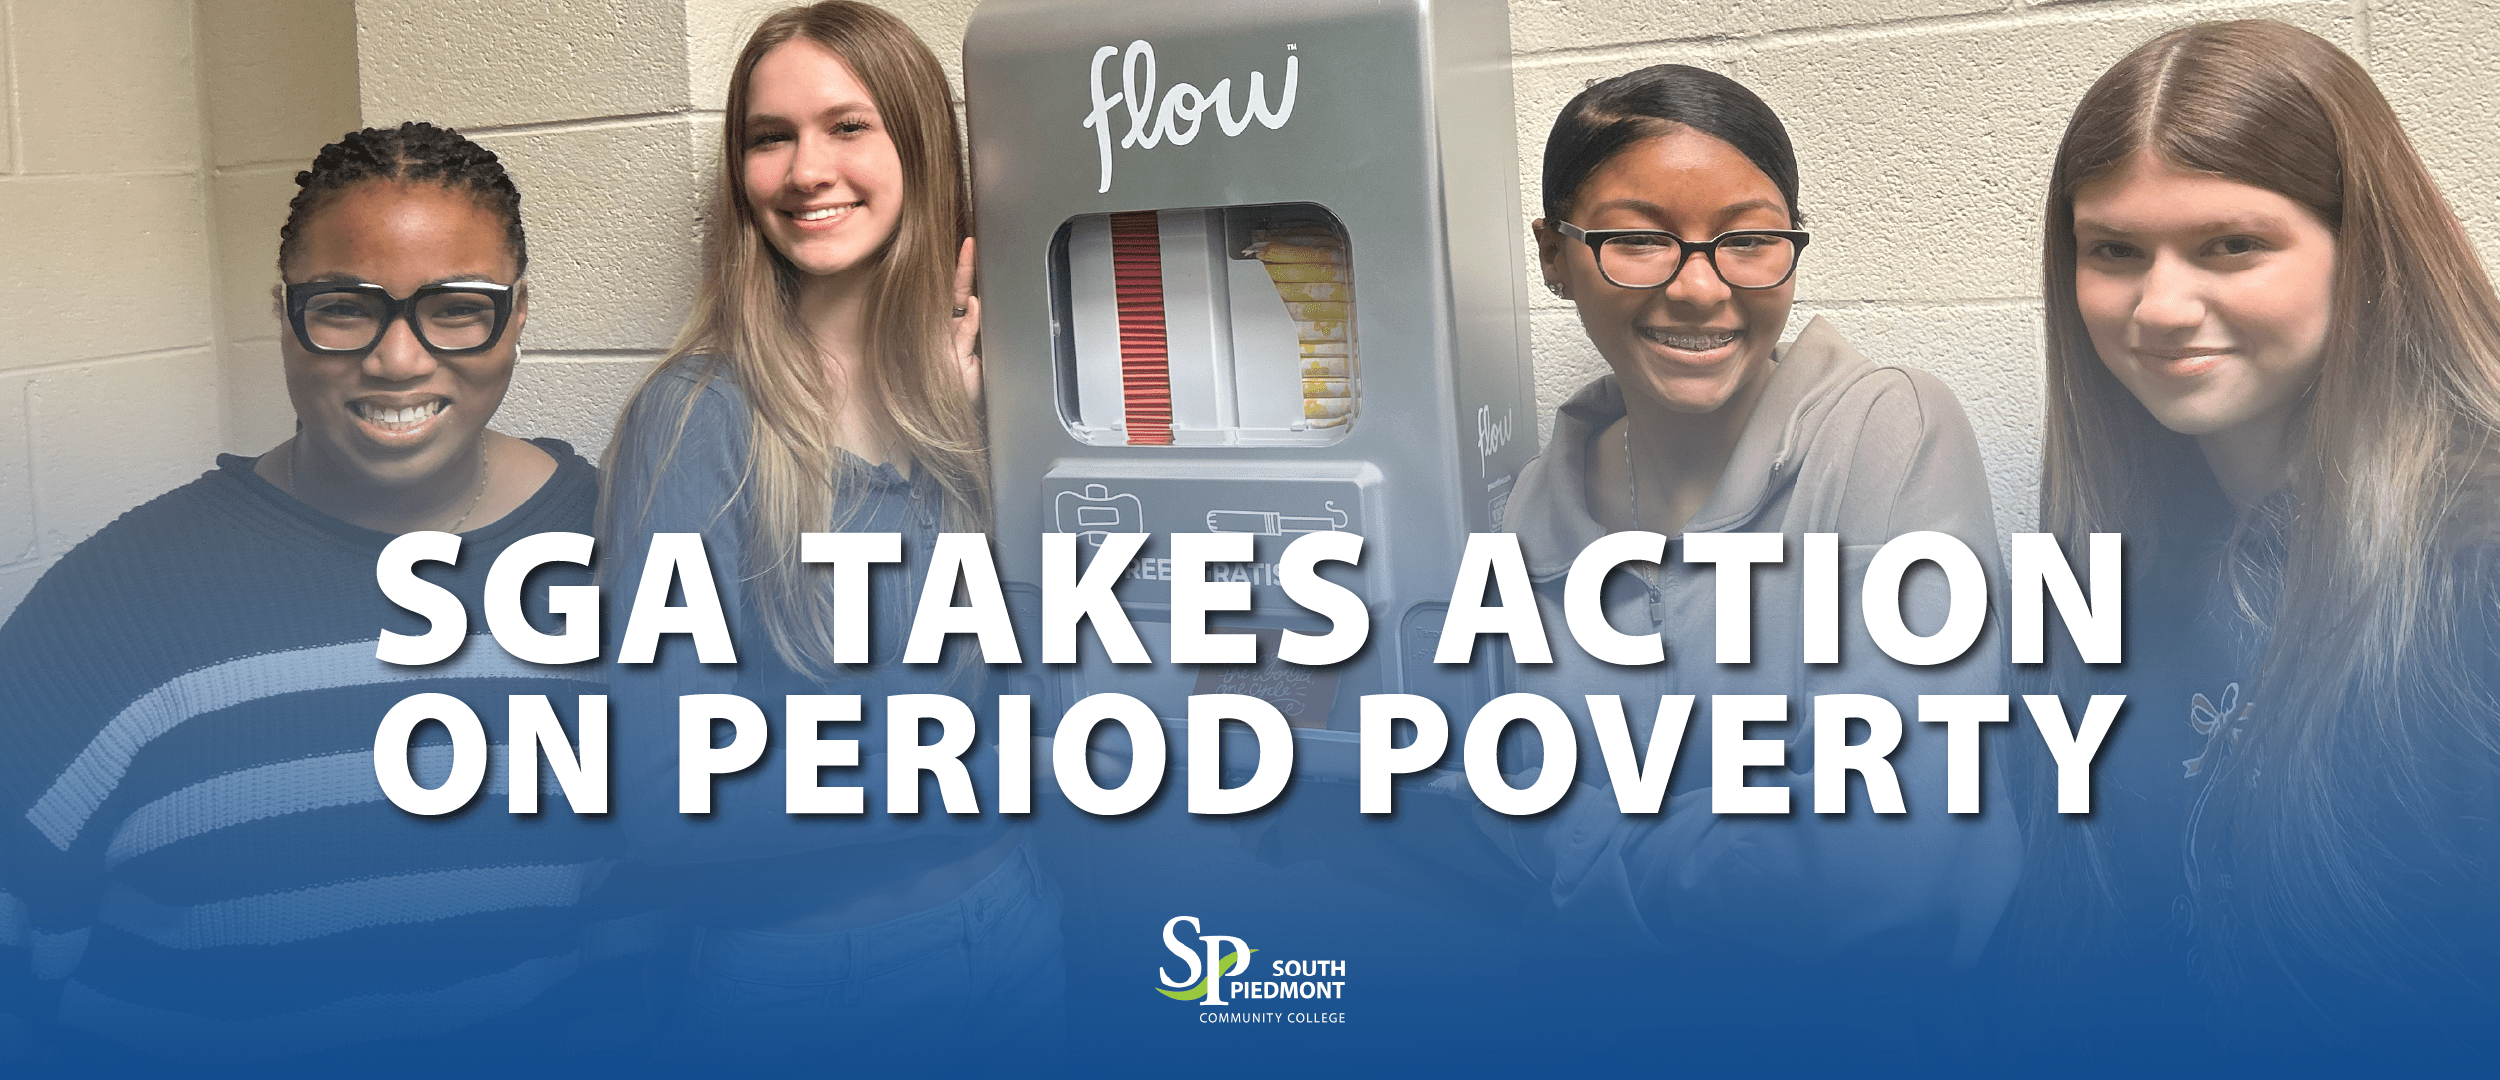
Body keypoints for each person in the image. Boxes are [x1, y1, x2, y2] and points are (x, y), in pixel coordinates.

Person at [0, 123, 645, 1063]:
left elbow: (640, 944)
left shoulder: (621, 561)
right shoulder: (109, 610)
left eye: (457, 308)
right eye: (344, 307)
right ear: (283, 310)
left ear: (516, 316)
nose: (398, 360)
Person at [1472, 64, 2019, 1030]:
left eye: (1750, 240)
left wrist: (1590, 852)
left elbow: (1885, 849)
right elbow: (1505, 790)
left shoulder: (1886, 432)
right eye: (1638, 240)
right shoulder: (1529, 512)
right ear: (1554, 254)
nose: (1700, 288)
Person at [2020, 19, 2500, 1053]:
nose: (2159, 307)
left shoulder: (2478, 561)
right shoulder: (2109, 579)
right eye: (2113, 251)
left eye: (2231, 245)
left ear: (2362, 251)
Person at [598, 1, 1056, 1058]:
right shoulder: (696, 417)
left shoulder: (984, 393)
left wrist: (955, 437)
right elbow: (669, 803)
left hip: (1018, 927)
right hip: (816, 987)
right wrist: (1016, 769)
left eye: (847, 127)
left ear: (921, 148)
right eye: (771, 137)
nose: (807, 170)